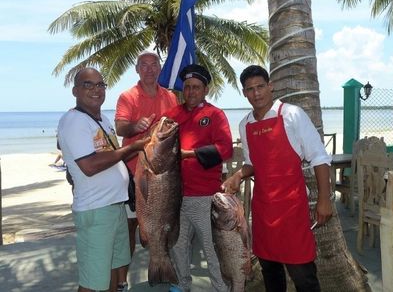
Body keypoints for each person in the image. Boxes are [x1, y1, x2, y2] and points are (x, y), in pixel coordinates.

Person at [221, 65, 333, 292]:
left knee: (303, 276)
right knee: (270, 272)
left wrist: (324, 199)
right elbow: (252, 163)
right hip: (263, 212)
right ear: (244, 93)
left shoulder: (291, 114)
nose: (256, 93)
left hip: (292, 210)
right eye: (250, 89)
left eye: (260, 86)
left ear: (270, 86)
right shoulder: (246, 124)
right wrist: (238, 175)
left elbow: (319, 157)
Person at [57, 67, 149, 292]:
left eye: (100, 85)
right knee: (91, 282)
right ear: (75, 90)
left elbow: (108, 157)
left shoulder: (103, 120)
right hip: (95, 210)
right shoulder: (74, 120)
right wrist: (131, 148)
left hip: (115, 207)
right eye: (88, 84)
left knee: (113, 273)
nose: (96, 90)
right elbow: (89, 166)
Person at [165, 64, 233, 292]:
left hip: (205, 197)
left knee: (211, 249)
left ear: (205, 90)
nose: (191, 91)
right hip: (175, 196)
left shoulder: (215, 115)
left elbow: (225, 149)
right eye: (187, 87)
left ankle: (221, 288)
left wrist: (189, 154)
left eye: (196, 87)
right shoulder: (173, 114)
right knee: (177, 244)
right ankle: (182, 284)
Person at [114, 50, 178, 288]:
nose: (150, 69)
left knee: (165, 219)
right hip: (133, 170)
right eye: (144, 65)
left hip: (166, 171)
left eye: (154, 65)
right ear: (137, 69)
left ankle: (165, 266)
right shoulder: (128, 96)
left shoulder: (170, 97)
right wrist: (135, 126)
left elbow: (175, 128)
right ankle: (122, 280)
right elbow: (120, 128)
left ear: (159, 69)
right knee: (131, 225)